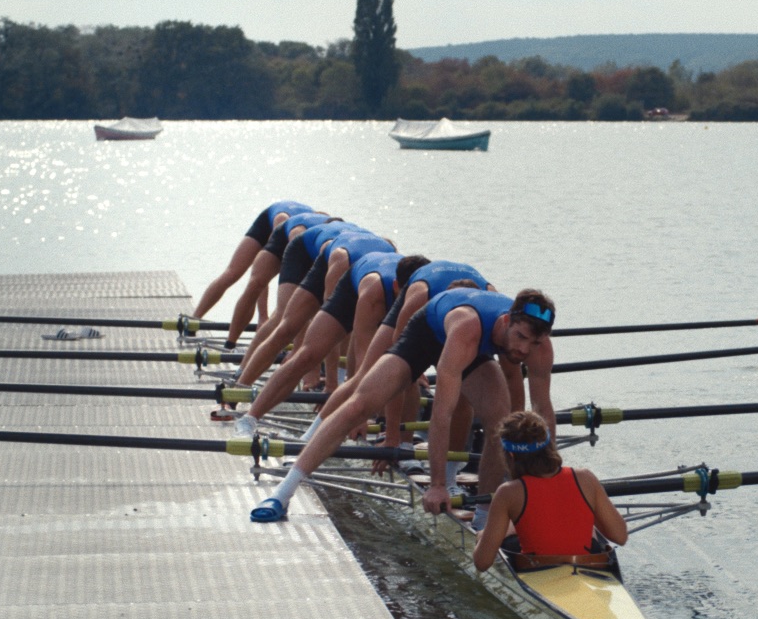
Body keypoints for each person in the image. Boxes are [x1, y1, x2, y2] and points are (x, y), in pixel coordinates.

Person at [250, 287, 557, 523]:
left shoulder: (540, 349)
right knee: (359, 405)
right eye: (520, 337)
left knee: (501, 423)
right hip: (428, 332)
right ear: (506, 321)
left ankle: (485, 517)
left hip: (471, 348)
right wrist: (436, 484)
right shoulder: (468, 330)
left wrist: (551, 475)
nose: (523, 349)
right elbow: (442, 413)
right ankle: (283, 493)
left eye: (534, 343)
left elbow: (543, 410)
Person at [231, 252, 427, 431]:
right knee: (307, 355)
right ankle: (250, 417)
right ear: (397, 287)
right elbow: (362, 360)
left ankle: (399, 435)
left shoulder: (429, 293)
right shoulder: (372, 291)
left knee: (406, 373)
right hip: (353, 287)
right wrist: (334, 386)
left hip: (378, 283)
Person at [229, 223, 386, 395]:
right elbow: (328, 318)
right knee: (286, 326)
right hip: (303, 253)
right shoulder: (341, 258)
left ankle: (344, 380)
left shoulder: (391, 271)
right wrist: (326, 379)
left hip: (350, 262)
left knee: (356, 325)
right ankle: (239, 388)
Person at [471, 410, 628, 573]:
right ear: (549, 445)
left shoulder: (508, 493)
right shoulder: (586, 478)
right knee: (593, 535)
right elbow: (620, 536)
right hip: (586, 566)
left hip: (536, 570)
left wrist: (483, 537)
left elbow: (482, 563)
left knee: (501, 540)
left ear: (510, 455)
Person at [189, 200, 315, 328]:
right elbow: (262, 273)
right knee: (233, 273)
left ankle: (283, 328)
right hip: (268, 222)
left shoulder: (318, 236)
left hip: (300, 230)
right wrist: (263, 316)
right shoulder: (282, 223)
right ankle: (195, 318)